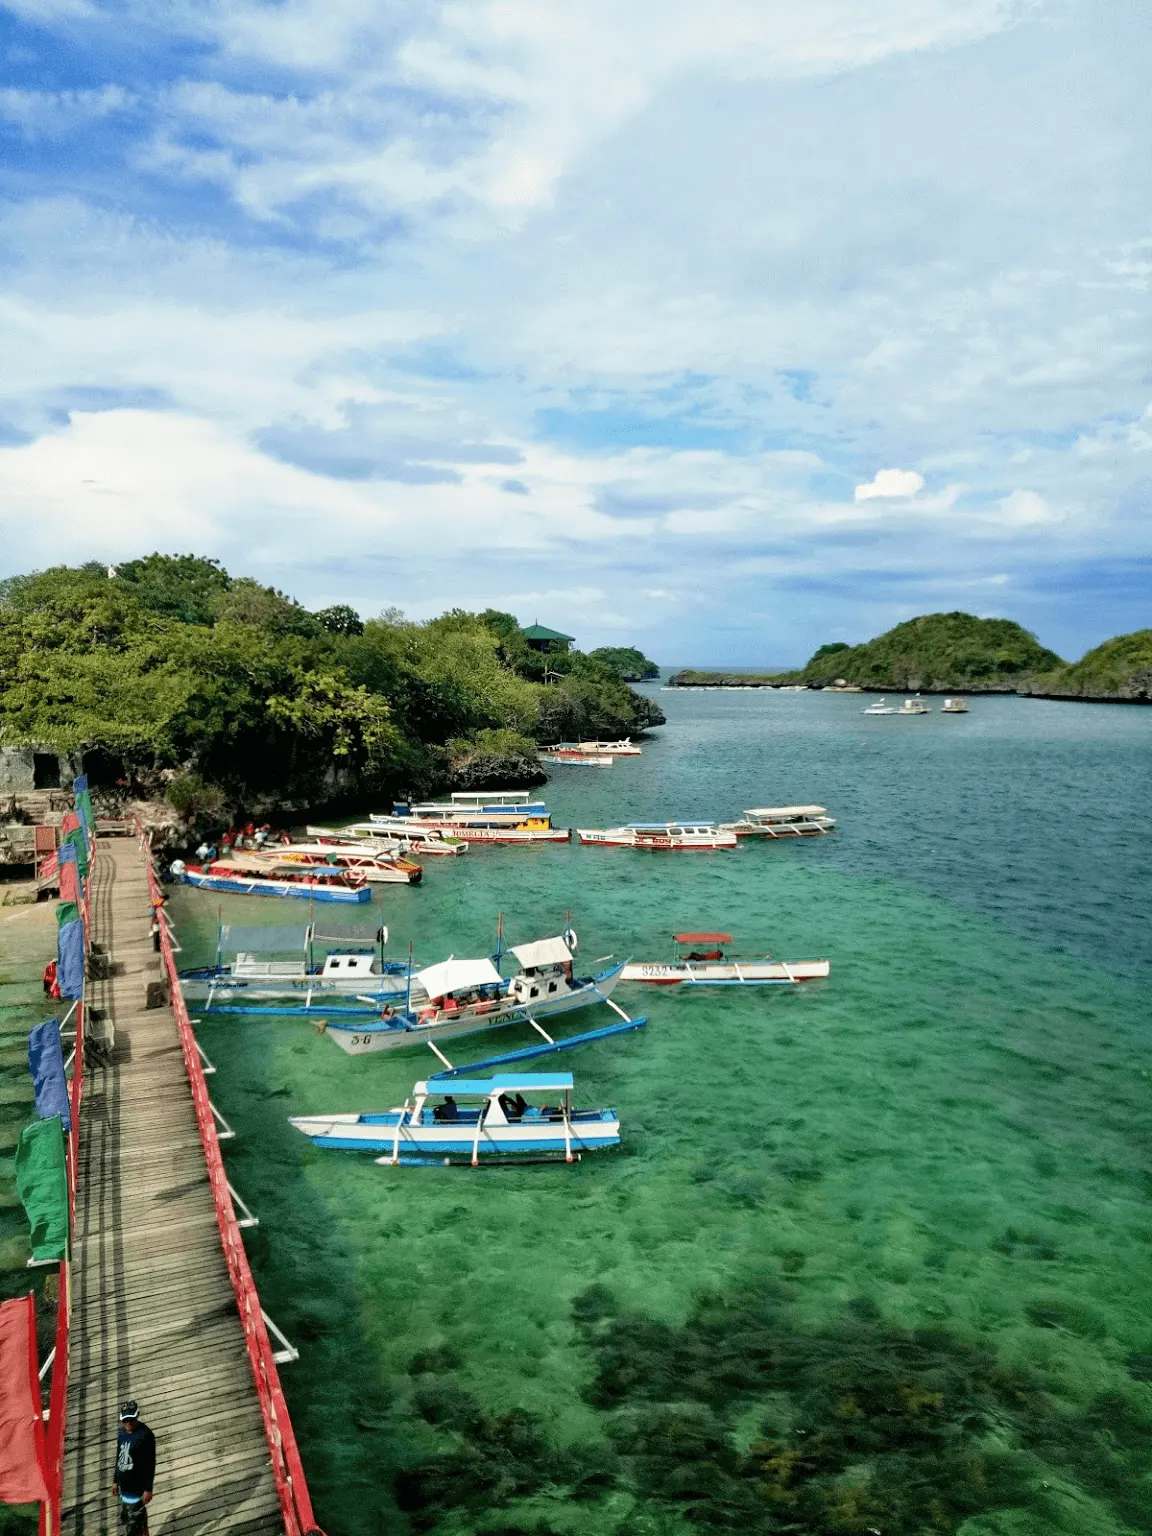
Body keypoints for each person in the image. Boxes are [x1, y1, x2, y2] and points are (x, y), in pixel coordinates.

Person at [112, 1400, 155, 1533]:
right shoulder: (121, 1433)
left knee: (133, 1526)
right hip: (124, 1488)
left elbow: (150, 1463)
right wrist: (115, 1481)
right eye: (125, 1421)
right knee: (135, 1516)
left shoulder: (146, 1436)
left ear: (137, 1416)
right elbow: (119, 1456)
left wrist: (148, 1489)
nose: (128, 1423)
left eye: (131, 1419)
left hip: (137, 1487)